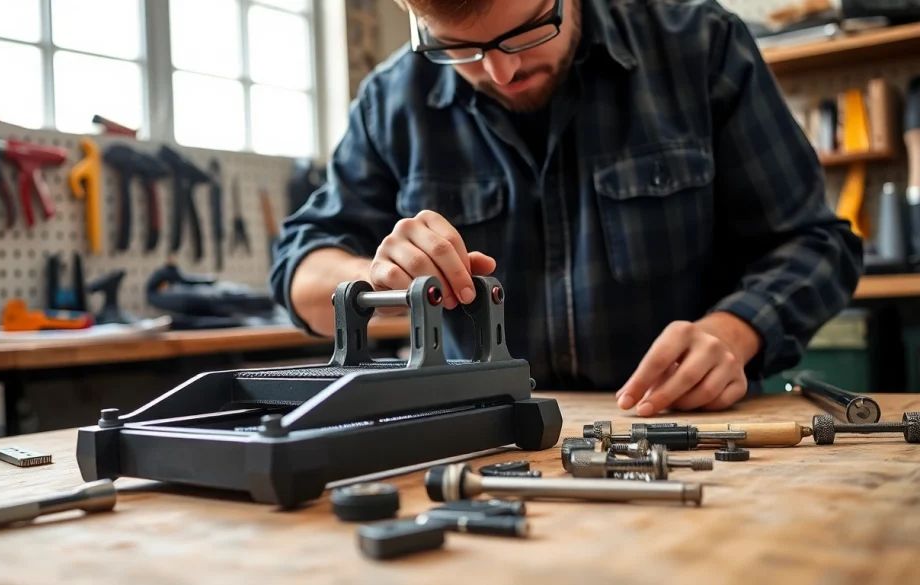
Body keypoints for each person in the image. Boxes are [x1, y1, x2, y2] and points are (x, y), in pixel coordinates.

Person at [268, 0, 863, 417]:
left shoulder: (702, 49)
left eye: (526, 32)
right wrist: (377, 282)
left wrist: (734, 333)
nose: (500, 72)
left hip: (685, 431)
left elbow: (816, 242)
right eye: (459, 48)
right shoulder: (389, 102)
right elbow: (300, 268)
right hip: (476, 448)